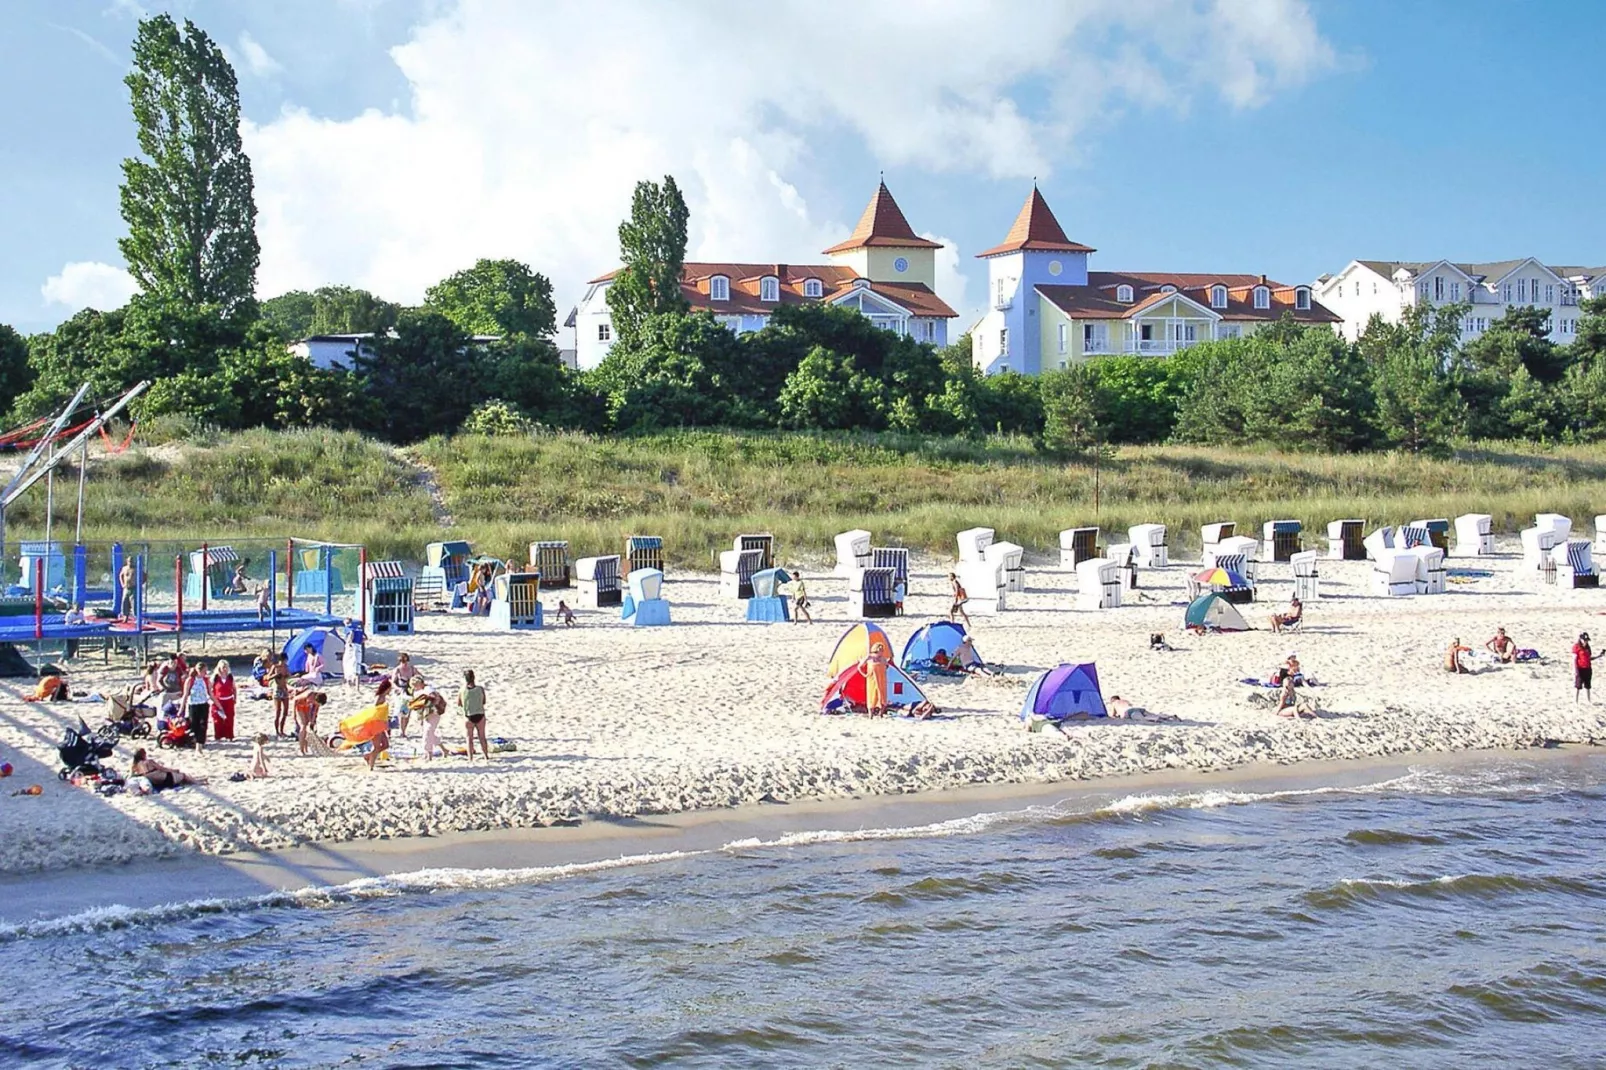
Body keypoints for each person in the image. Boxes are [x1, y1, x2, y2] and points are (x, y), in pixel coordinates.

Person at [130, 748, 206, 790]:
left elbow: (132, 776)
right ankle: (197, 782)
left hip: (155, 783)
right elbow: (163, 769)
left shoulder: (134, 766)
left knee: (181, 777)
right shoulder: (149, 762)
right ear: (143, 755)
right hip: (166, 779)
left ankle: (196, 780)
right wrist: (174, 770)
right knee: (183, 775)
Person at [459, 669, 490, 760]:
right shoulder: (480, 689)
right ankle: (485, 755)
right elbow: (483, 701)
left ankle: (470, 757)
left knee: (469, 738)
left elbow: (459, 703)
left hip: (468, 716)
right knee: (482, 737)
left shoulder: (462, 690)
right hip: (480, 714)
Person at [413, 679, 447, 760]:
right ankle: (444, 750)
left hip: (433, 713)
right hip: (426, 714)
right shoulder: (418, 692)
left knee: (428, 732)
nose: (415, 688)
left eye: (415, 685)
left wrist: (429, 706)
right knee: (429, 733)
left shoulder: (428, 689)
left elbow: (434, 699)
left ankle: (429, 754)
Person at [183, 663, 211, 752]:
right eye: (203, 671)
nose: (205, 673)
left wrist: (219, 706)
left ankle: (199, 746)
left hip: (204, 704)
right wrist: (181, 709)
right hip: (193, 705)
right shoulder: (190, 680)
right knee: (194, 725)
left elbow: (211, 694)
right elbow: (185, 695)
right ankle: (195, 742)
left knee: (203, 725)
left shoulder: (206, 680)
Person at [860, 642, 890, 717]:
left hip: (882, 680)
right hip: (872, 680)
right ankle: (871, 715)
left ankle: (881, 714)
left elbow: (887, 666)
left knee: (882, 696)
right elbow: (860, 666)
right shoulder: (870, 657)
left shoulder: (883, 659)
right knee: (871, 695)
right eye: (880, 650)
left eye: (882, 650)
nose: (881, 652)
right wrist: (864, 674)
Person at [209, 660, 237, 741]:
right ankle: (218, 736)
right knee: (217, 719)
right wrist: (213, 699)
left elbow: (234, 688)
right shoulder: (215, 677)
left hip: (229, 700)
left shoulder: (230, 677)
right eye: (223, 667)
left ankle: (229, 736)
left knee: (229, 718)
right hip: (218, 701)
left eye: (226, 667)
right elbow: (209, 689)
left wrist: (235, 698)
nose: (225, 669)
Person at [294, 690, 325, 756]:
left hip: (307, 707)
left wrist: (313, 721)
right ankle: (301, 750)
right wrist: (294, 714)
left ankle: (306, 749)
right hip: (299, 705)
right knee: (303, 725)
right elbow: (295, 700)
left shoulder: (317, 701)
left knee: (308, 726)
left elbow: (315, 711)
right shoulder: (309, 694)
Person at [268, 654, 291, 738]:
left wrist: (286, 676)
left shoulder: (286, 667)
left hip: (284, 689)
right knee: (278, 711)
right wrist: (275, 675)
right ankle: (277, 731)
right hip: (277, 689)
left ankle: (282, 730)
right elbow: (268, 677)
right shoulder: (275, 667)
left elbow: (289, 675)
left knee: (285, 712)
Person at [1574, 632, 1593, 702]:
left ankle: (1589, 700)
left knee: (1588, 685)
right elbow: (1574, 658)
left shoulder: (1588, 648)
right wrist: (1576, 670)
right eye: (1584, 640)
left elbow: (1589, 658)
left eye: (1587, 640)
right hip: (1580, 668)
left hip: (1588, 668)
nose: (1586, 642)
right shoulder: (1577, 647)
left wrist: (1599, 656)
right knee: (1578, 686)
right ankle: (1576, 701)